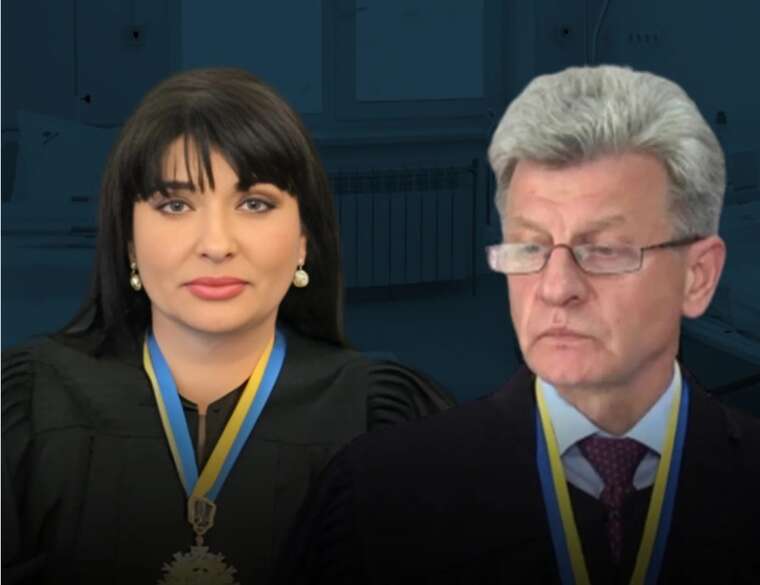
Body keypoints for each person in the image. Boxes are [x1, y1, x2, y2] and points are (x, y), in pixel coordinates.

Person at [274, 65, 760, 584]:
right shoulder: (376, 496)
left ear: (697, 277)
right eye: (530, 247)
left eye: (604, 250)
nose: (555, 287)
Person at [1, 68, 454, 585]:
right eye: (175, 205)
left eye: (254, 204)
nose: (216, 245)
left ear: (303, 240)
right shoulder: (28, 407)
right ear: (128, 241)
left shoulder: (383, 417)